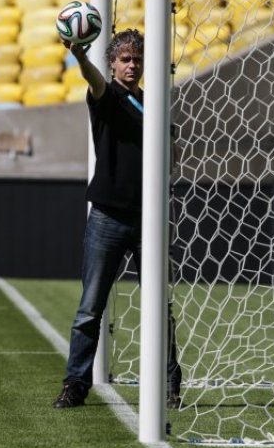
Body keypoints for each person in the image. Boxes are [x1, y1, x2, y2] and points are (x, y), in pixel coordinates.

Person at [53, 29, 182, 410]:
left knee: (159, 305)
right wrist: (79, 56)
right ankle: (76, 383)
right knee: (90, 307)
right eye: (124, 59)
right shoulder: (107, 97)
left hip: (149, 218)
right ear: (112, 63)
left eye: (137, 60)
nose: (131, 65)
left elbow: (172, 158)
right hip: (107, 217)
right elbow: (92, 81)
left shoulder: (155, 107)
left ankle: (171, 383)